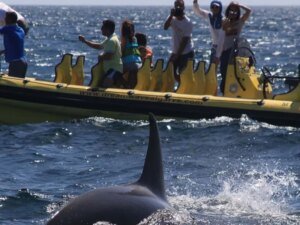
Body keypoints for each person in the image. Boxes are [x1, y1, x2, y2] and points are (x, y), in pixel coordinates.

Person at [79, 19, 124, 88]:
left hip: (114, 70)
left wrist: (101, 56)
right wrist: (85, 41)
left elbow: (109, 56)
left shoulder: (112, 40)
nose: (101, 29)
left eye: (103, 27)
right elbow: (99, 46)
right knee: (101, 85)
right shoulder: (110, 39)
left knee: (104, 86)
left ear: (108, 29)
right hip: (111, 70)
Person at [219, 1, 251, 94]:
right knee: (224, 74)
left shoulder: (240, 21)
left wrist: (239, 5)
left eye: (235, 12)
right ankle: (224, 93)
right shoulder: (224, 20)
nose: (233, 14)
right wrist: (228, 19)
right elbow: (225, 29)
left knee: (235, 74)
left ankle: (235, 92)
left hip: (235, 51)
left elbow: (249, 11)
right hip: (225, 51)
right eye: (231, 11)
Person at [164, 0, 194, 82]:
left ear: (183, 7)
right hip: (175, 51)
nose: (178, 8)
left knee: (183, 74)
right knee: (169, 70)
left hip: (186, 52)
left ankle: (184, 88)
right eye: (176, 6)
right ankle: (180, 84)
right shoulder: (172, 18)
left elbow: (184, 41)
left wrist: (177, 55)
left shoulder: (188, 22)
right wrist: (170, 16)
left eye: (180, 6)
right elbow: (165, 27)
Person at [193, 0, 224, 65]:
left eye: (217, 7)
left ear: (220, 8)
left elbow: (222, 39)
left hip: (224, 48)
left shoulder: (224, 20)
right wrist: (195, 2)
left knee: (224, 69)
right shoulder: (209, 16)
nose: (214, 9)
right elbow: (198, 11)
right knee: (212, 68)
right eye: (213, 7)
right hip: (214, 47)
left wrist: (218, 55)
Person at [0, 11, 27, 78]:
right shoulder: (20, 30)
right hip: (23, 62)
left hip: (16, 64)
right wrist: (3, 52)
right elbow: (15, 45)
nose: (4, 19)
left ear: (10, 19)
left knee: (13, 86)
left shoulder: (8, 28)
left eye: (6, 18)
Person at [121, 20, 142, 89]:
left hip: (128, 63)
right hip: (139, 63)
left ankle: (125, 86)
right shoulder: (135, 38)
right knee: (132, 75)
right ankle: (131, 88)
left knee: (116, 73)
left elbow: (122, 51)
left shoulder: (124, 38)